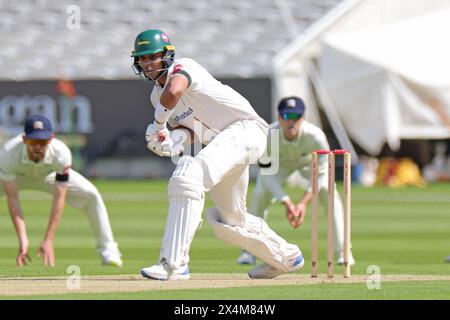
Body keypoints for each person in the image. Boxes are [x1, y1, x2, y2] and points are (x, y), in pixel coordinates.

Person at [131, 29, 304, 280]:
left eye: (153, 57)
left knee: (187, 178)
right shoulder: (155, 96)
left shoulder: (183, 68)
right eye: (143, 59)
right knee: (230, 221)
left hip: (246, 130)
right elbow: (188, 130)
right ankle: (286, 257)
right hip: (224, 144)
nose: (148, 64)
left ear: (167, 56)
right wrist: (172, 140)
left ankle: (174, 264)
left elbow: (175, 91)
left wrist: (158, 125)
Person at [236, 97, 355, 267]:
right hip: (279, 166)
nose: (291, 122)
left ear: (303, 118)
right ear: (279, 118)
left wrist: (303, 204)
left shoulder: (315, 136)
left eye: (296, 117)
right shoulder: (269, 135)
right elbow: (267, 174)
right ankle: (249, 251)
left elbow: (321, 174)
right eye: (286, 117)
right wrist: (287, 202)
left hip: (308, 164)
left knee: (330, 191)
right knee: (260, 192)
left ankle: (343, 253)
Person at [0, 115, 122, 267]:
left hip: (49, 174)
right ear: (24, 139)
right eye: (33, 141)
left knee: (91, 195)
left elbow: (59, 198)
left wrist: (48, 239)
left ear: (51, 139)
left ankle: (108, 249)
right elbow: (13, 199)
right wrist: (23, 239)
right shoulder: (8, 153)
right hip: (16, 175)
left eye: (43, 141)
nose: (38, 146)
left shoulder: (61, 153)